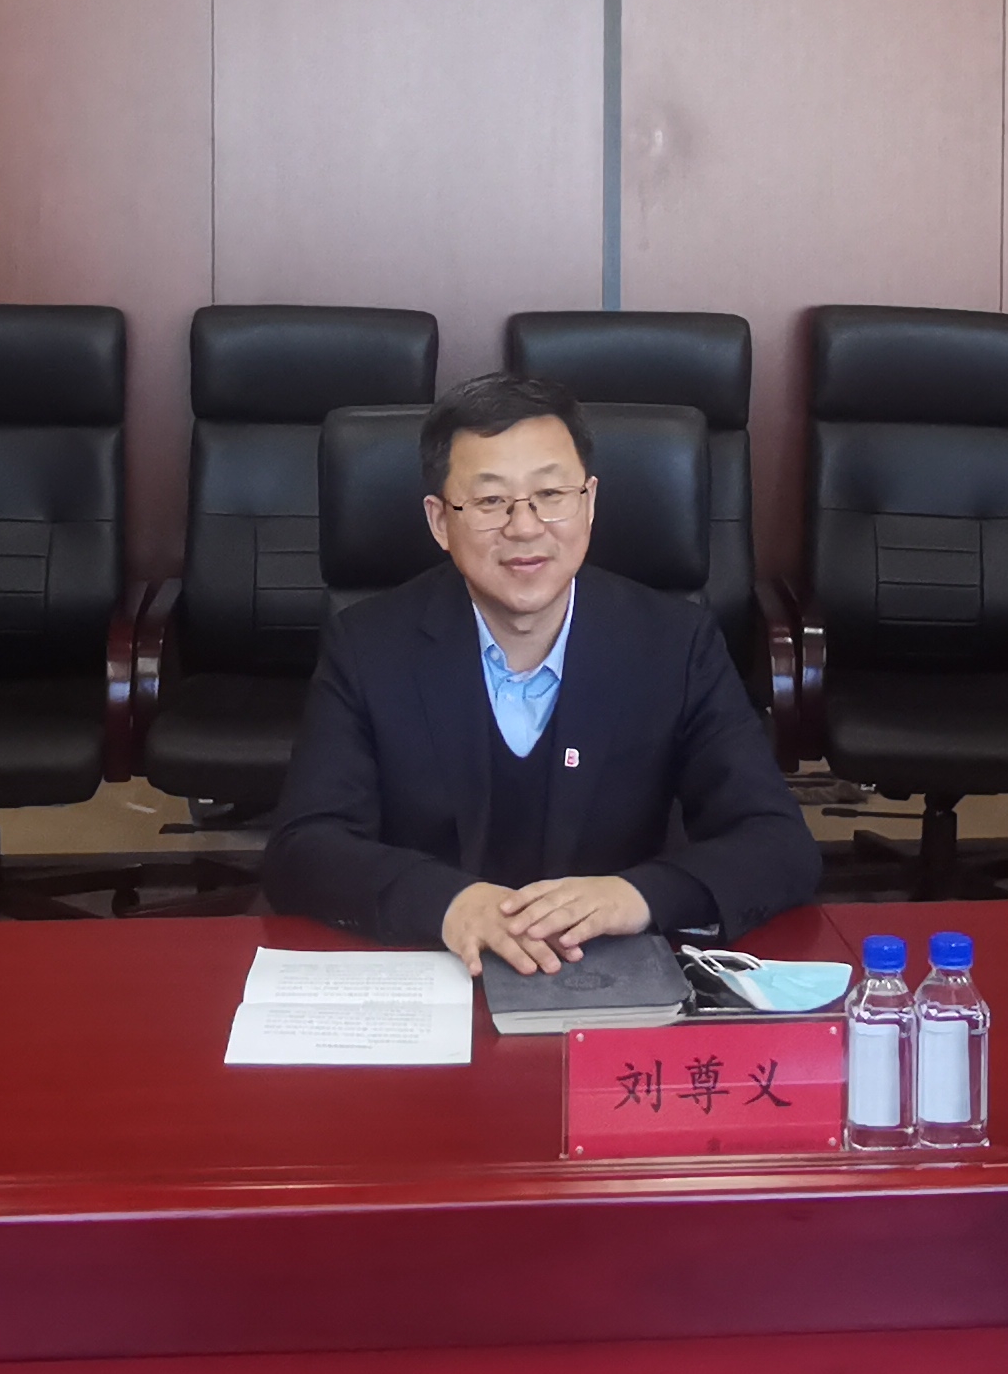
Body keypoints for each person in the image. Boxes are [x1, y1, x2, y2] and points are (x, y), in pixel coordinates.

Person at [264, 374, 820, 968]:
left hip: (613, 972)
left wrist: (635, 896)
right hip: (433, 965)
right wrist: (448, 904)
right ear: (440, 521)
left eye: (551, 494)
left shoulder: (675, 644)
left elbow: (778, 842)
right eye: (490, 502)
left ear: (590, 502)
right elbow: (304, 847)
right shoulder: (368, 646)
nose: (525, 527)